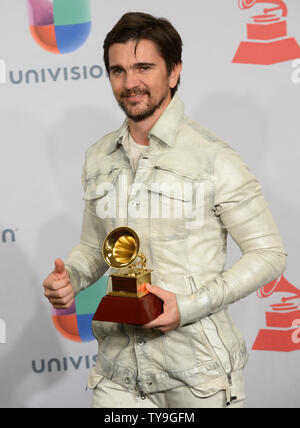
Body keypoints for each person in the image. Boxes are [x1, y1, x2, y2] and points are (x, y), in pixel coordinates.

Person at [43, 12, 287, 408]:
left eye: (144, 67)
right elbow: (95, 248)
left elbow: (270, 254)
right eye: (118, 70)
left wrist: (188, 306)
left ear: (173, 72)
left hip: (197, 377)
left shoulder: (213, 158)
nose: (129, 82)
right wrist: (69, 278)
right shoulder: (98, 157)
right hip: (118, 375)